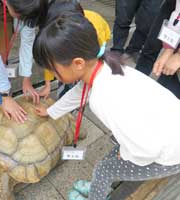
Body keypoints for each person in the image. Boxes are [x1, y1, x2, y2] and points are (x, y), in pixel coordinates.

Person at [33, 5, 180, 200]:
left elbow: (147, 149)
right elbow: (80, 91)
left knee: (105, 169)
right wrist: (51, 111)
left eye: (54, 69)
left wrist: (128, 155)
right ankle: (98, 187)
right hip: (166, 129)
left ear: (78, 63)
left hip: (169, 155)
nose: (52, 74)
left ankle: (97, 195)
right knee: (111, 159)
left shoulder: (103, 97)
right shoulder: (109, 65)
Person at [38, 1, 111, 99]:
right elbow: (50, 59)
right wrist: (48, 85)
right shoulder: (59, 34)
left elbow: (98, 50)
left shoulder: (95, 29)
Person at [135, 0, 180, 98]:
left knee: (171, 70)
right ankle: (135, 90)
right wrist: (169, 49)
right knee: (151, 47)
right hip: (174, 6)